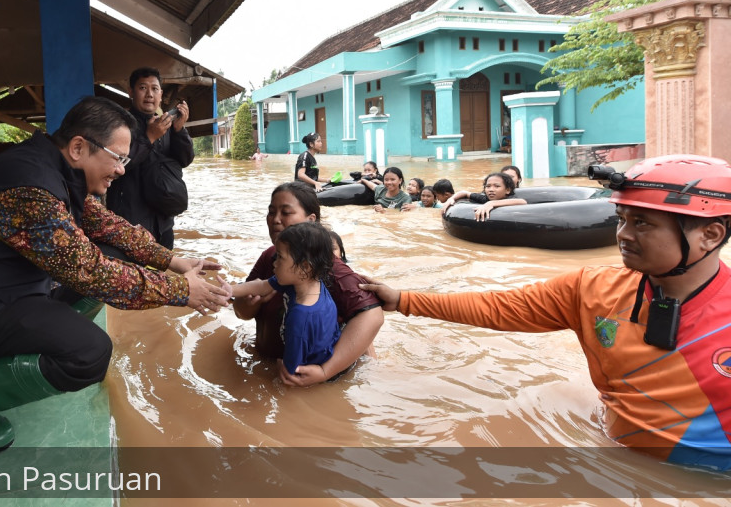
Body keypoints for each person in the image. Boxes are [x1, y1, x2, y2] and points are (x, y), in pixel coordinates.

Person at [361, 154, 731, 470]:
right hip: (615, 464)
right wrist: (403, 300)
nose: (623, 235)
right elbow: (499, 306)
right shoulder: (591, 289)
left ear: (711, 235)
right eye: (621, 218)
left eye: (643, 223)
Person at [0, 96, 231, 454]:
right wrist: (182, 290)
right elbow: (89, 271)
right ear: (79, 147)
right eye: (118, 157)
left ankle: (39, 349)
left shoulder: (50, 169)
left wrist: (172, 261)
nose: (123, 169)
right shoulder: (31, 189)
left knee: (111, 256)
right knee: (89, 353)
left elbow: (106, 226)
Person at [233, 182, 383, 386]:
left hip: (305, 380)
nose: (275, 220)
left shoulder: (331, 268)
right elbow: (242, 312)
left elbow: (371, 315)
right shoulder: (271, 257)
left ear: (311, 219)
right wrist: (247, 305)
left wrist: (325, 370)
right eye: (271, 212)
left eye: (286, 212)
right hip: (265, 370)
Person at [230, 222, 341, 376]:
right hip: (328, 346)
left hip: (310, 365)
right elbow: (262, 286)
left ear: (305, 267)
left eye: (280, 257)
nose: (274, 262)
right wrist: (229, 290)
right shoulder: (306, 281)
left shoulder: (300, 317)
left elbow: (291, 373)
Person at [106, 67, 192, 249]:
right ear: (131, 92)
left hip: (163, 224)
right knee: (131, 276)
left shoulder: (166, 124)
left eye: (154, 89)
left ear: (161, 94)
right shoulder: (119, 124)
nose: (149, 95)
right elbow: (114, 166)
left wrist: (179, 130)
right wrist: (149, 138)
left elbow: (185, 160)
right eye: (143, 88)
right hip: (130, 225)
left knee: (160, 276)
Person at [443, 172, 527, 221]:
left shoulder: (509, 199)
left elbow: (523, 202)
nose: (491, 189)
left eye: (497, 186)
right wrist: (451, 198)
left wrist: (491, 203)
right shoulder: (485, 199)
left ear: (507, 190)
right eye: (488, 186)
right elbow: (465, 193)